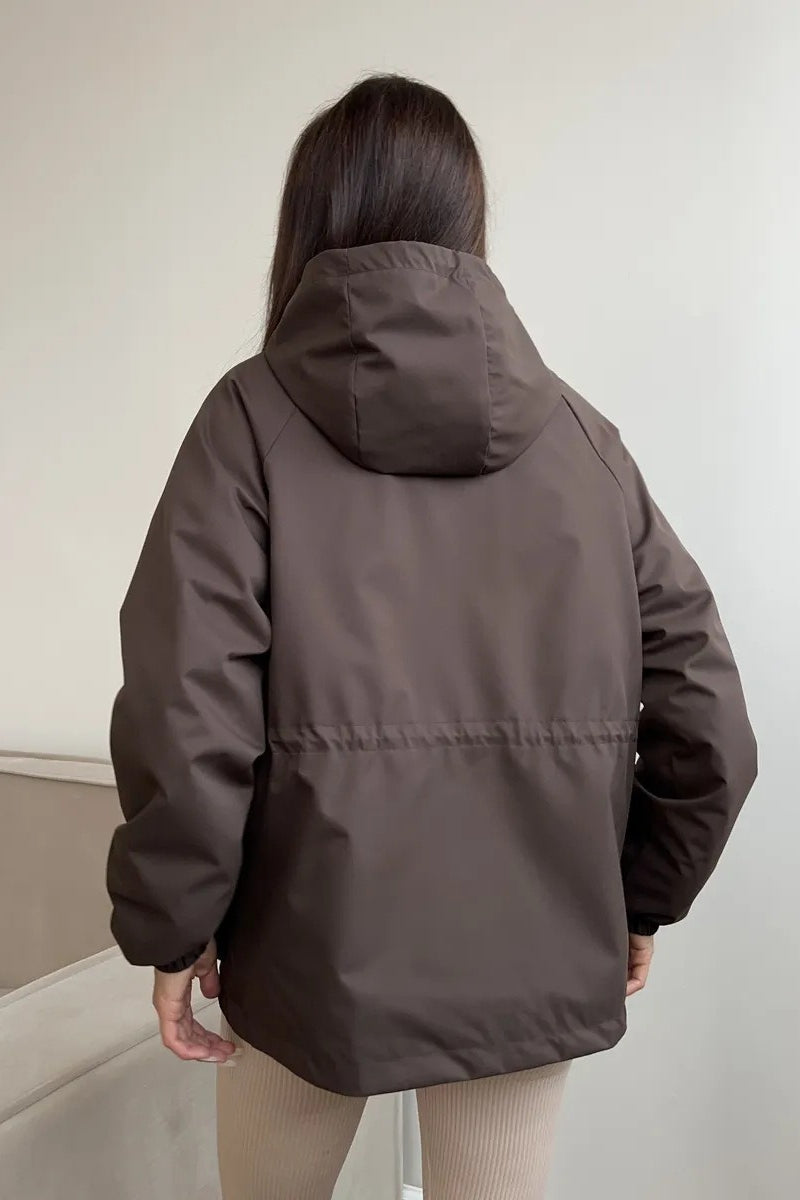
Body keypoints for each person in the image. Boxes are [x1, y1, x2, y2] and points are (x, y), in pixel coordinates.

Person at [106, 73, 757, 1200]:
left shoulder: (248, 422)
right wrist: (634, 897)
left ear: (307, 221)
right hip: (529, 948)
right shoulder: (583, 442)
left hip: (306, 958)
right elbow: (710, 724)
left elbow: (187, 711)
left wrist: (174, 930)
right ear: (468, 219)